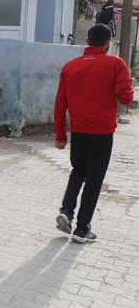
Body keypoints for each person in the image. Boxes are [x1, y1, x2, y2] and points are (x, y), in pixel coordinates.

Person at [54, 23, 134, 243]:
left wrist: (60, 135)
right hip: (102, 132)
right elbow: (125, 97)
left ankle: (66, 211)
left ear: (87, 41)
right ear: (107, 43)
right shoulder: (115, 64)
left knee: (77, 171)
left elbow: (60, 104)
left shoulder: (70, 66)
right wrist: (130, 86)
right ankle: (82, 229)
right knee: (94, 179)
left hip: (79, 130)